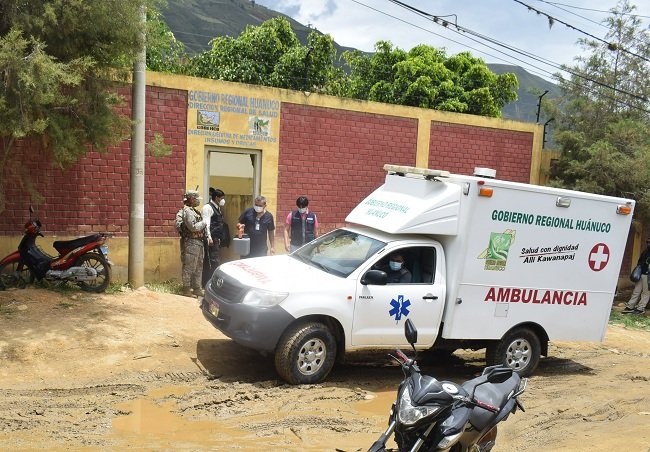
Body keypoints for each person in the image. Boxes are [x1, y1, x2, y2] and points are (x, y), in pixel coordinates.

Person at [180, 190, 207, 298]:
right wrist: (204, 222)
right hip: (191, 242)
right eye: (196, 199)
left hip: (199, 242)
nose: (197, 201)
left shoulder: (195, 211)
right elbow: (193, 227)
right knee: (189, 266)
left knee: (199, 267)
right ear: (191, 199)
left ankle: (197, 288)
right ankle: (186, 289)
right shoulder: (188, 211)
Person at [202, 187, 226, 286]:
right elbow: (206, 223)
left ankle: (212, 282)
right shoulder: (208, 207)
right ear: (216, 197)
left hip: (216, 238)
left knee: (215, 259)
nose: (222, 200)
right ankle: (207, 283)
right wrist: (209, 237)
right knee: (211, 261)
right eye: (221, 198)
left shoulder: (217, 208)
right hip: (211, 239)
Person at [622, 238, 650, 315]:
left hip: (648, 275)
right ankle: (630, 306)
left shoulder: (645, 251)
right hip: (641, 274)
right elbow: (640, 261)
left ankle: (640, 308)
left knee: (645, 293)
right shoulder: (645, 251)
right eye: (648, 242)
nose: (648, 244)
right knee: (637, 291)